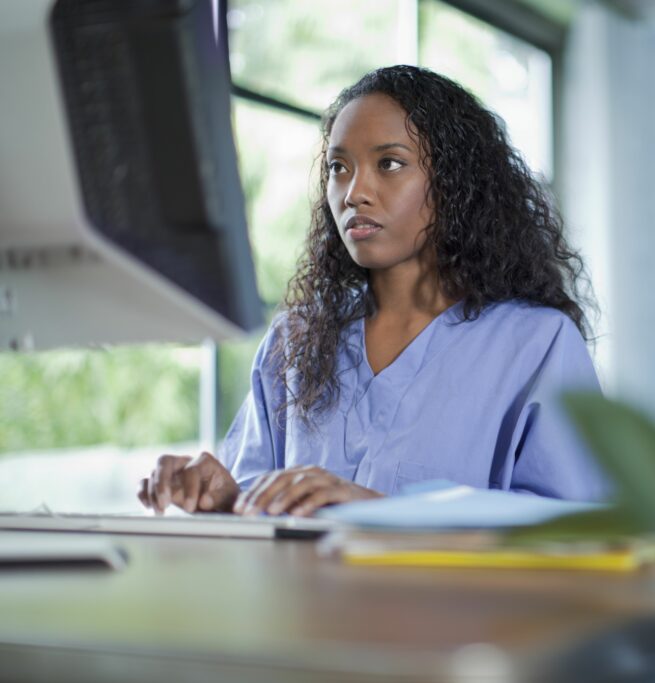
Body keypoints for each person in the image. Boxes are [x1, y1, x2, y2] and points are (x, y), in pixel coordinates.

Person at [137, 65, 606, 517]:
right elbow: (259, 513)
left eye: (389, 164)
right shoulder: (293, 340)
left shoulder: (538, 344)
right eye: (339, 168)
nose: (355, 192)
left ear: (455, 184)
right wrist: (225, 498)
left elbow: (572, 530)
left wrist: (385, 512)